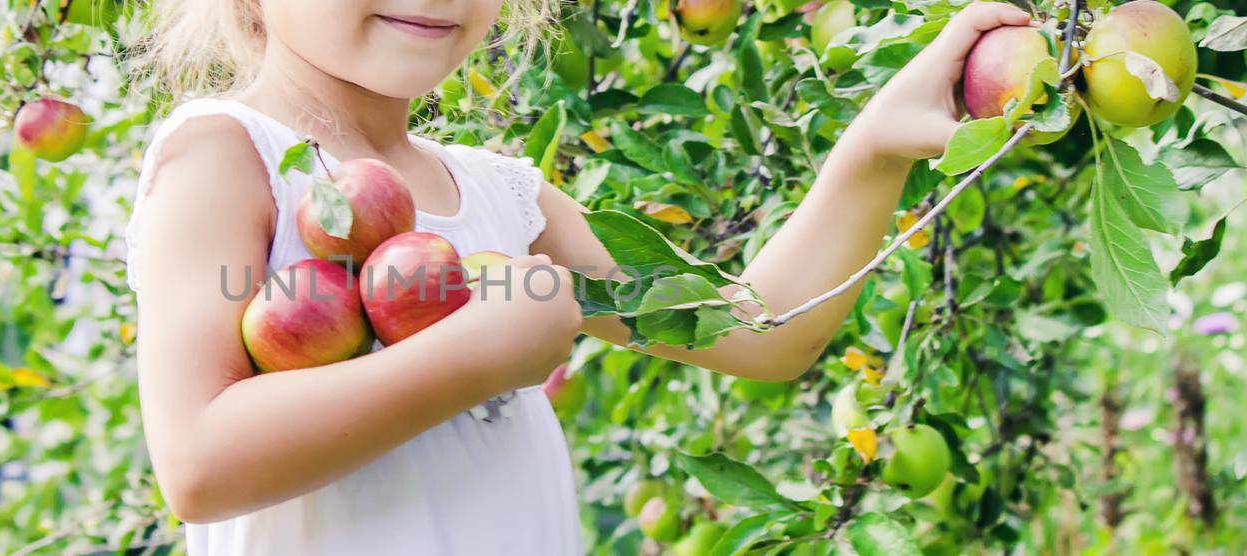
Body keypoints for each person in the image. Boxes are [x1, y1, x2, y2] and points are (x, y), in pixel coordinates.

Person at [125, 1, 1034, 554]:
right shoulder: (232, 158)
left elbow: (762, 329)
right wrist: (476, 358)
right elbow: (201, 463)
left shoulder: (501, 196)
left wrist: (872, 147)